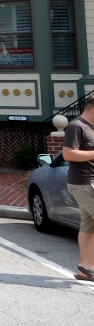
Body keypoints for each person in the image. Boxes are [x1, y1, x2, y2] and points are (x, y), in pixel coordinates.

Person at [63, 97, 94, 282]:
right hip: (83, 182)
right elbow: (68, 153)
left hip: (89, 182)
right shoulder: (77, 126)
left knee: (89, 225)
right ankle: (87, 267)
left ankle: (85, 269)